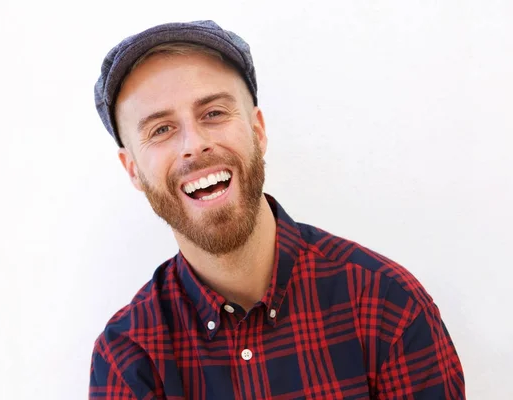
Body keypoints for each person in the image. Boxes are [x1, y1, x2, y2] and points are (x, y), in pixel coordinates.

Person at [89, 20, 465, 399]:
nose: (194, 144)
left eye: (214, 113)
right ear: (133, 170)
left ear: (258, 131)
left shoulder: (386, 304)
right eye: (161, 130)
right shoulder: (128, 357)